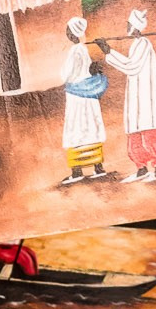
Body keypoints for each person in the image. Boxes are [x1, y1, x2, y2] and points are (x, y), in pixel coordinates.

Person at [101, 8, 156, 182]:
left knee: (150, 129)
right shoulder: (137, 44)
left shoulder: (144, 44)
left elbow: (131, 66)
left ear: (135, 27)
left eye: (128, 24)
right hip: (136, 94)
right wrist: (108, 51)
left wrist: (108, 51)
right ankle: (141, 167)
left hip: (147, 95)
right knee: (135, 131)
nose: (126, 26)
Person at [58, 16, 109, 185]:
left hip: (77, 97)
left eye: (68, 30)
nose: (67, 33)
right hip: (87, 94)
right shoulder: (83, 49)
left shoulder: (75, 51)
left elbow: (66, 75)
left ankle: (77, 171)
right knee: (91, 127)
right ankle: (97, 167)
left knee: (77, 130)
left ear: (72, 33)